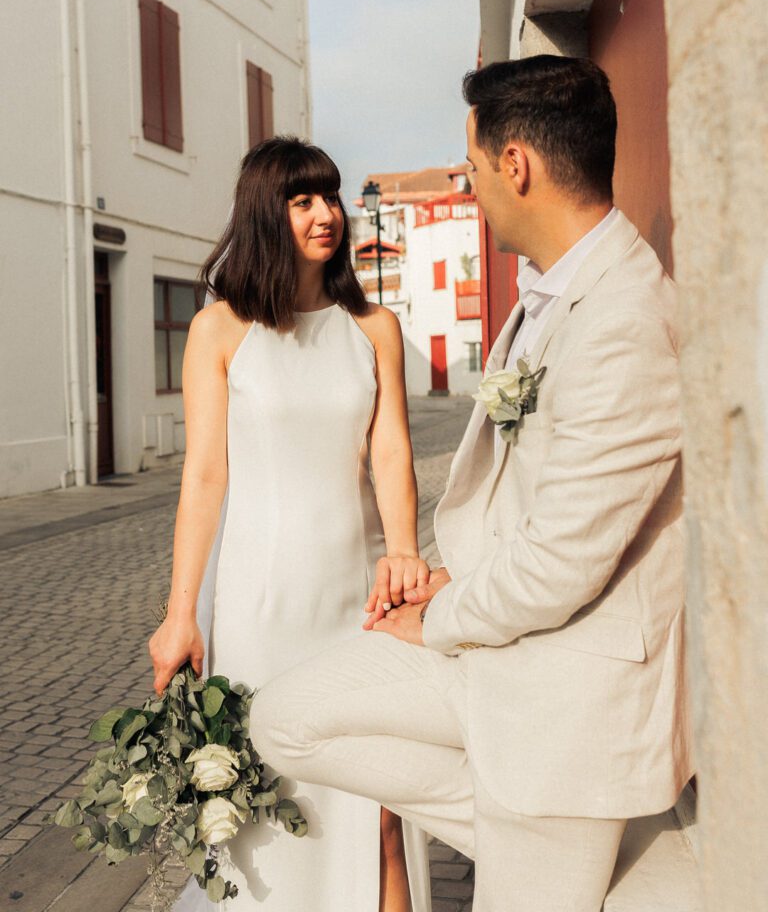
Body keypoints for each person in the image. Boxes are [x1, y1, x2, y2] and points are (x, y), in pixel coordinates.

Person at [248, 57, 694, 912]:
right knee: (285, 717)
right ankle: (545, 848)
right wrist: (452, 577)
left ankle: (561, 853)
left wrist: (438, 620)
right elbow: (529, 508)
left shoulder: (623, 319)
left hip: (565, 689)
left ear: (515, 165)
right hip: (505, 644)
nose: (475, 186)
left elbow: (564, 563)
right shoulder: (550, 295)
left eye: (475, 169)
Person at [148, 136, 432, 912]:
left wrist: (405, 554)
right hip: (257, 605)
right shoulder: (220, 329)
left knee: (378, 807)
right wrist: (181, 614)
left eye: (330, 197)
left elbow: (392, 453)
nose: (326, 214)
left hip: (359, 599)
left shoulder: (374, 328)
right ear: (265, 214)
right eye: (303, 199)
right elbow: (204, 476)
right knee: (265, 805)